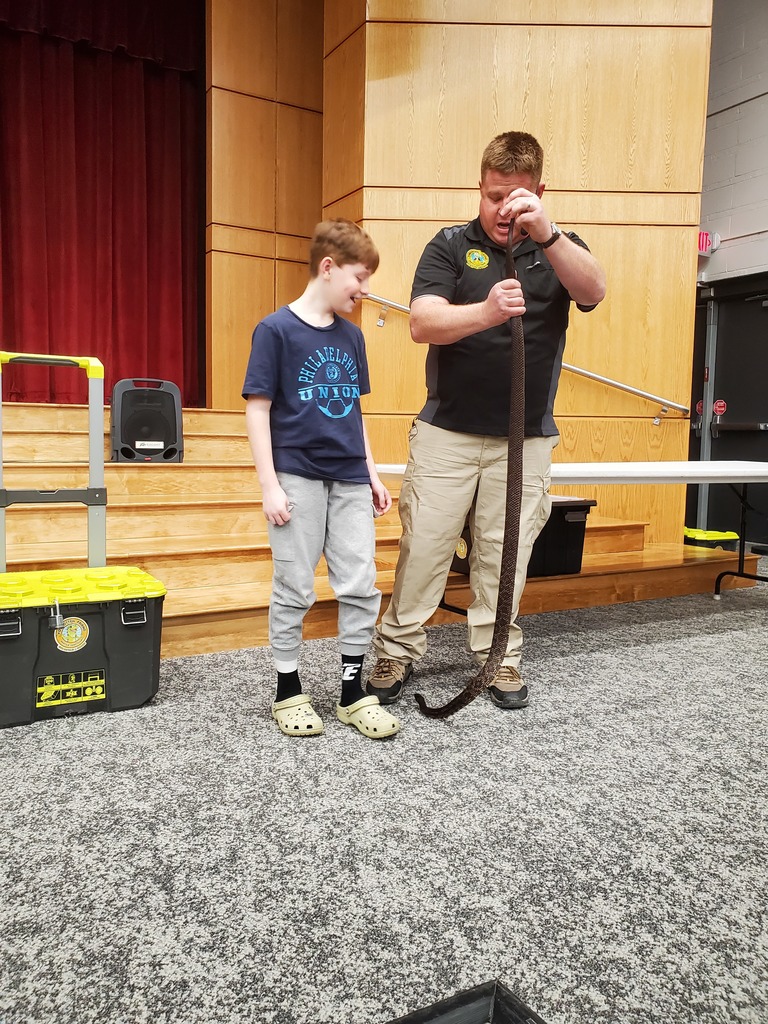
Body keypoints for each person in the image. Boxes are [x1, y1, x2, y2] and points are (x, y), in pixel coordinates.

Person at [367, 131, 606, 710]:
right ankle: (396, 649)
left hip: (525, 440)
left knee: (507, 552)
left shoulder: (559, 248)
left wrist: (546, 234)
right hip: (447, 432)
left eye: (517, 197)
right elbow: (423, 322)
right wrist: (487, 311)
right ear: (480, 187)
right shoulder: (450, 245)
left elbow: (594, 289)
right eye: (495, 195)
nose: (504, 210)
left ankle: (498, 657)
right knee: (424, 544)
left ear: (539, 192)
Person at [243, 219, 400, 739]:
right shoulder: (275, 330)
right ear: (328, 268)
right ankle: (288, 691)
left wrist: (371, 473)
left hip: (350, 477)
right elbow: (258, 410)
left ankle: (352, 694)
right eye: (360, 277)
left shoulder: (352, 337)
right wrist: (269, 484)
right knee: (294, 584)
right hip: (296, 475)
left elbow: (353, 412)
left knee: (359, 584)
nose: (365, 289)